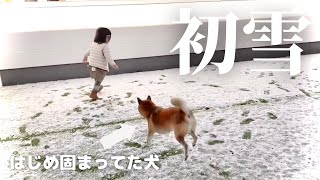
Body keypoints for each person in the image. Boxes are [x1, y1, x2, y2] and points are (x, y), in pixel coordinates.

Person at [83, 27, 119, 101]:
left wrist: (85, 57)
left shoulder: (93, 44)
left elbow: (88, 51)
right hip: (100, 67)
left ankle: (97, 88)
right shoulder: (105, 46)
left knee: (97, 78)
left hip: (93, 65)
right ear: (102, 37)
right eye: (108, 37)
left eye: (110, 37)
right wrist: (113, 64)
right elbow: (108, 57)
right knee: (98, 81)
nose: (109, 39)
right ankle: (94, 93)